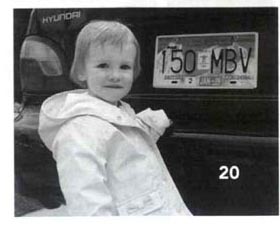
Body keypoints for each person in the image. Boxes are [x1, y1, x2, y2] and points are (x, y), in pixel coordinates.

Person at [26, 20, 192, 216]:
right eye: (103, 65)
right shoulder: (78, 131)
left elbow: (123, 141)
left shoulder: (117, 110)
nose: (115, 75)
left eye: (124, 67)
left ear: (134, 72)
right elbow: (88, 202)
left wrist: (151, 123)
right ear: (81, 71)